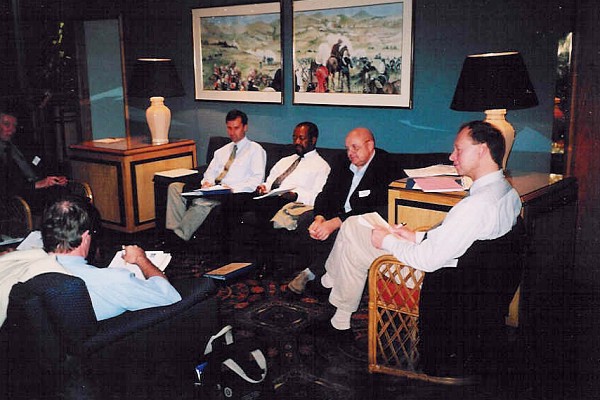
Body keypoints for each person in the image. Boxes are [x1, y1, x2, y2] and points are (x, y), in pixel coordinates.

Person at [322, 121, 522, 374]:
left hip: (433, 280)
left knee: (353, 232)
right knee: (354, 225)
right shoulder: (506, 192)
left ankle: (335, 298)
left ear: (481, 150)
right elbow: (457, 239)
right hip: (459, 274)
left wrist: (387, 241)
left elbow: (427, 260)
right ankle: (334, 294)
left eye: (458, 150)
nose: (452, 156)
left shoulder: (476, 206)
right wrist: (414, 235)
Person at [287, 127, 399, 294]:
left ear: (370, 145)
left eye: (355, 148)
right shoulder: (341, 161)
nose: (350, 153)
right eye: (347, 148)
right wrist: (320, 217)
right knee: (306, 221)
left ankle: (313, 274)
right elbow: (326, 193)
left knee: (343, 230)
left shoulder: (386, 165)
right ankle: (318, 273)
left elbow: (376, 207)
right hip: (336, 213)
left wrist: (336, 223)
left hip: (364, 220)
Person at [40, 196, 182, 321]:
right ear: (85, 238)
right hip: (117, 337)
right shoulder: (112, 280)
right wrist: (140, 259)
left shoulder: (31, 266)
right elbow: (170, 296)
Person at [165, 109, 266, 242]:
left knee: (202, 202)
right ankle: (173, 231)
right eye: (229, 128)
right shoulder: (221, 151)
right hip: (213, 189)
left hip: (233, 194)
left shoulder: (255, 150)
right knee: (175, 187)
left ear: (245, 127)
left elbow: (256, 180)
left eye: (236, 128)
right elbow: (210, 172)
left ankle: (178, 238)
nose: (232, 132)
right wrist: (207, 183)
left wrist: (232, 188)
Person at [252, 121, 330, 227]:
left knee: (262, 207)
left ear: (313, 140)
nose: (297, 142)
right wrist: (264, 187)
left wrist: (296, 196)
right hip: (270, 198)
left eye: (301, 138)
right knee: (240, 201)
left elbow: (319, 197)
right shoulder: (285, 160)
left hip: (291, 203)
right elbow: (270, 181)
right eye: (294, 138)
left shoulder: (321, 167)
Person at [0, 109, 68, 210]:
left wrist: (57, 177)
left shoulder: (20, 143)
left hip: (40, 190)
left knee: (70, 196)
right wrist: (37, 185)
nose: (12, 130)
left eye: (14, 126)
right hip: (19, 199)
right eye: (6, 124)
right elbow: (7, 187)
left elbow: (39, 161)